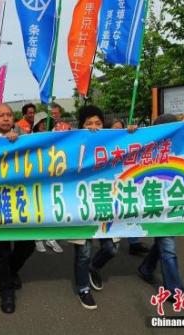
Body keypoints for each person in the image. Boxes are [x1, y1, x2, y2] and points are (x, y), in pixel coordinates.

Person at [138, 113, 184, 301]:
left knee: (164, 243)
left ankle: (146, 268)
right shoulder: (148, 146)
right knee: (168, 248)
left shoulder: (183, 143)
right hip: (154, 201)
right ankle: (176, 293)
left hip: (172, 202)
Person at [0, 103, 34, 314]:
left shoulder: (27, 139)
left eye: (9, 115)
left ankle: (10, 271)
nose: (5, 118)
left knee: (27, 245)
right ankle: (6, 291)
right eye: (0, 115)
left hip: (23, 202)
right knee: (1, 250)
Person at [70, 106, 120, 310]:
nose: (93, 127)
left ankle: (93, 268)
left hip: (105, 201)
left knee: (111, 248)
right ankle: (83, 289)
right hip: (80, 203)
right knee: (83, 251)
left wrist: (132, 131)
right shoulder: (72, 144)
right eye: (88, 123)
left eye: (98, 123)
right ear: (81, 125)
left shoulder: (112, 142)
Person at [109, 118, 150, 256]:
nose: (118, 131)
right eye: (114, 128)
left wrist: (134, 132)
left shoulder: (127, 140)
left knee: (130, 209)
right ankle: (111, 240)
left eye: (120, 128)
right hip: (109, 183)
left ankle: (134, 242)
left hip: (126, 181)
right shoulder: (105, 143)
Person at [31, 112, 64, 254]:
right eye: (42, 122)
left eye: (47, 122)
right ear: (37, 125)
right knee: (37, 208)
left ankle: (50, 237)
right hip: (34, 178)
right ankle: (37, 238)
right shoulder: (29, 138)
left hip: (51, 178)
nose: (45, 125)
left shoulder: (55, 138)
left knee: (50, 208)